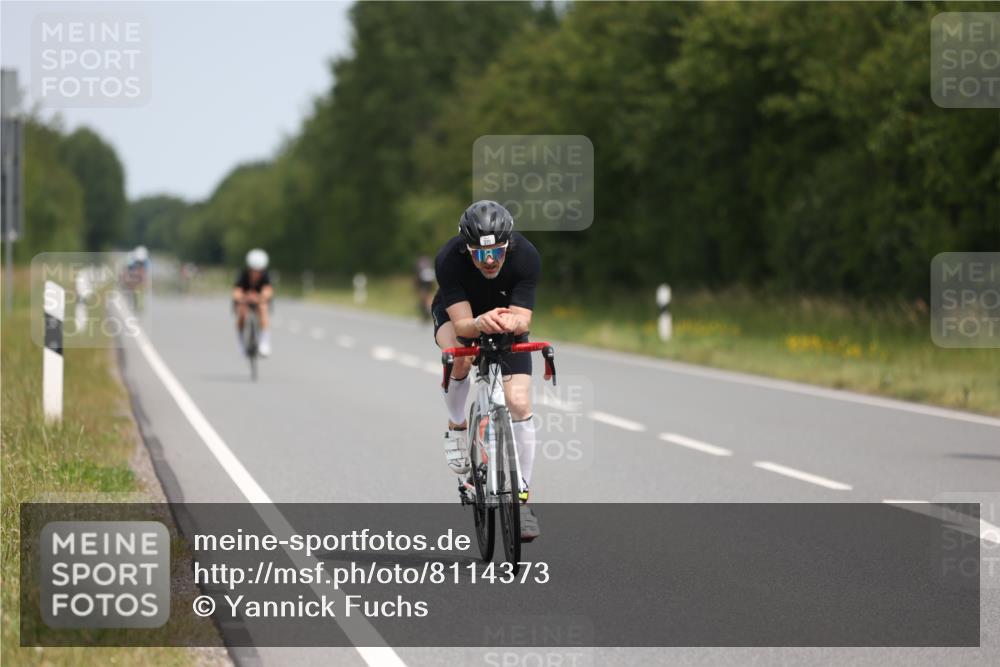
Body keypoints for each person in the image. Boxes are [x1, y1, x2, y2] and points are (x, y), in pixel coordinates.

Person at [432, 200, 542, 540]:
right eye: (480, 255)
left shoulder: (526, 255)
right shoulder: (449, 259)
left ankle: (522, 499)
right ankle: (456, 424)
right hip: (463, 316)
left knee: (519, 403)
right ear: (467, 249)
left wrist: (512, 320)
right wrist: (479, 322)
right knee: (460, 356)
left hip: (504, 318)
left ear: (508, 244)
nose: (490, 261)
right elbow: (463, 324)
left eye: (496, 252)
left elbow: (524, 317)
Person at [233, 249, 273, 357]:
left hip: (259, 301)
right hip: (244, 301)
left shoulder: (266, 276)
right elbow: (236, 292)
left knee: (263, 308)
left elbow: (268, 291)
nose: (256, 273)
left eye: (259, 271)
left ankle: (264, 343)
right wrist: (244, 298)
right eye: (253, 270)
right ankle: (241, 344)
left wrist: (260, 298)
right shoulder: (242, 275)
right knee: (242, 313)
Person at [415, 255, 436, 322]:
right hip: (430, 280)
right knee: (428, 295)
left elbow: (417, 277)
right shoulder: (429, 263)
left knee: (423, 296)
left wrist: (416, 286)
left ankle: (427, 308)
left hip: (423, 281)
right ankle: (428, 307)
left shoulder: (419, 264)